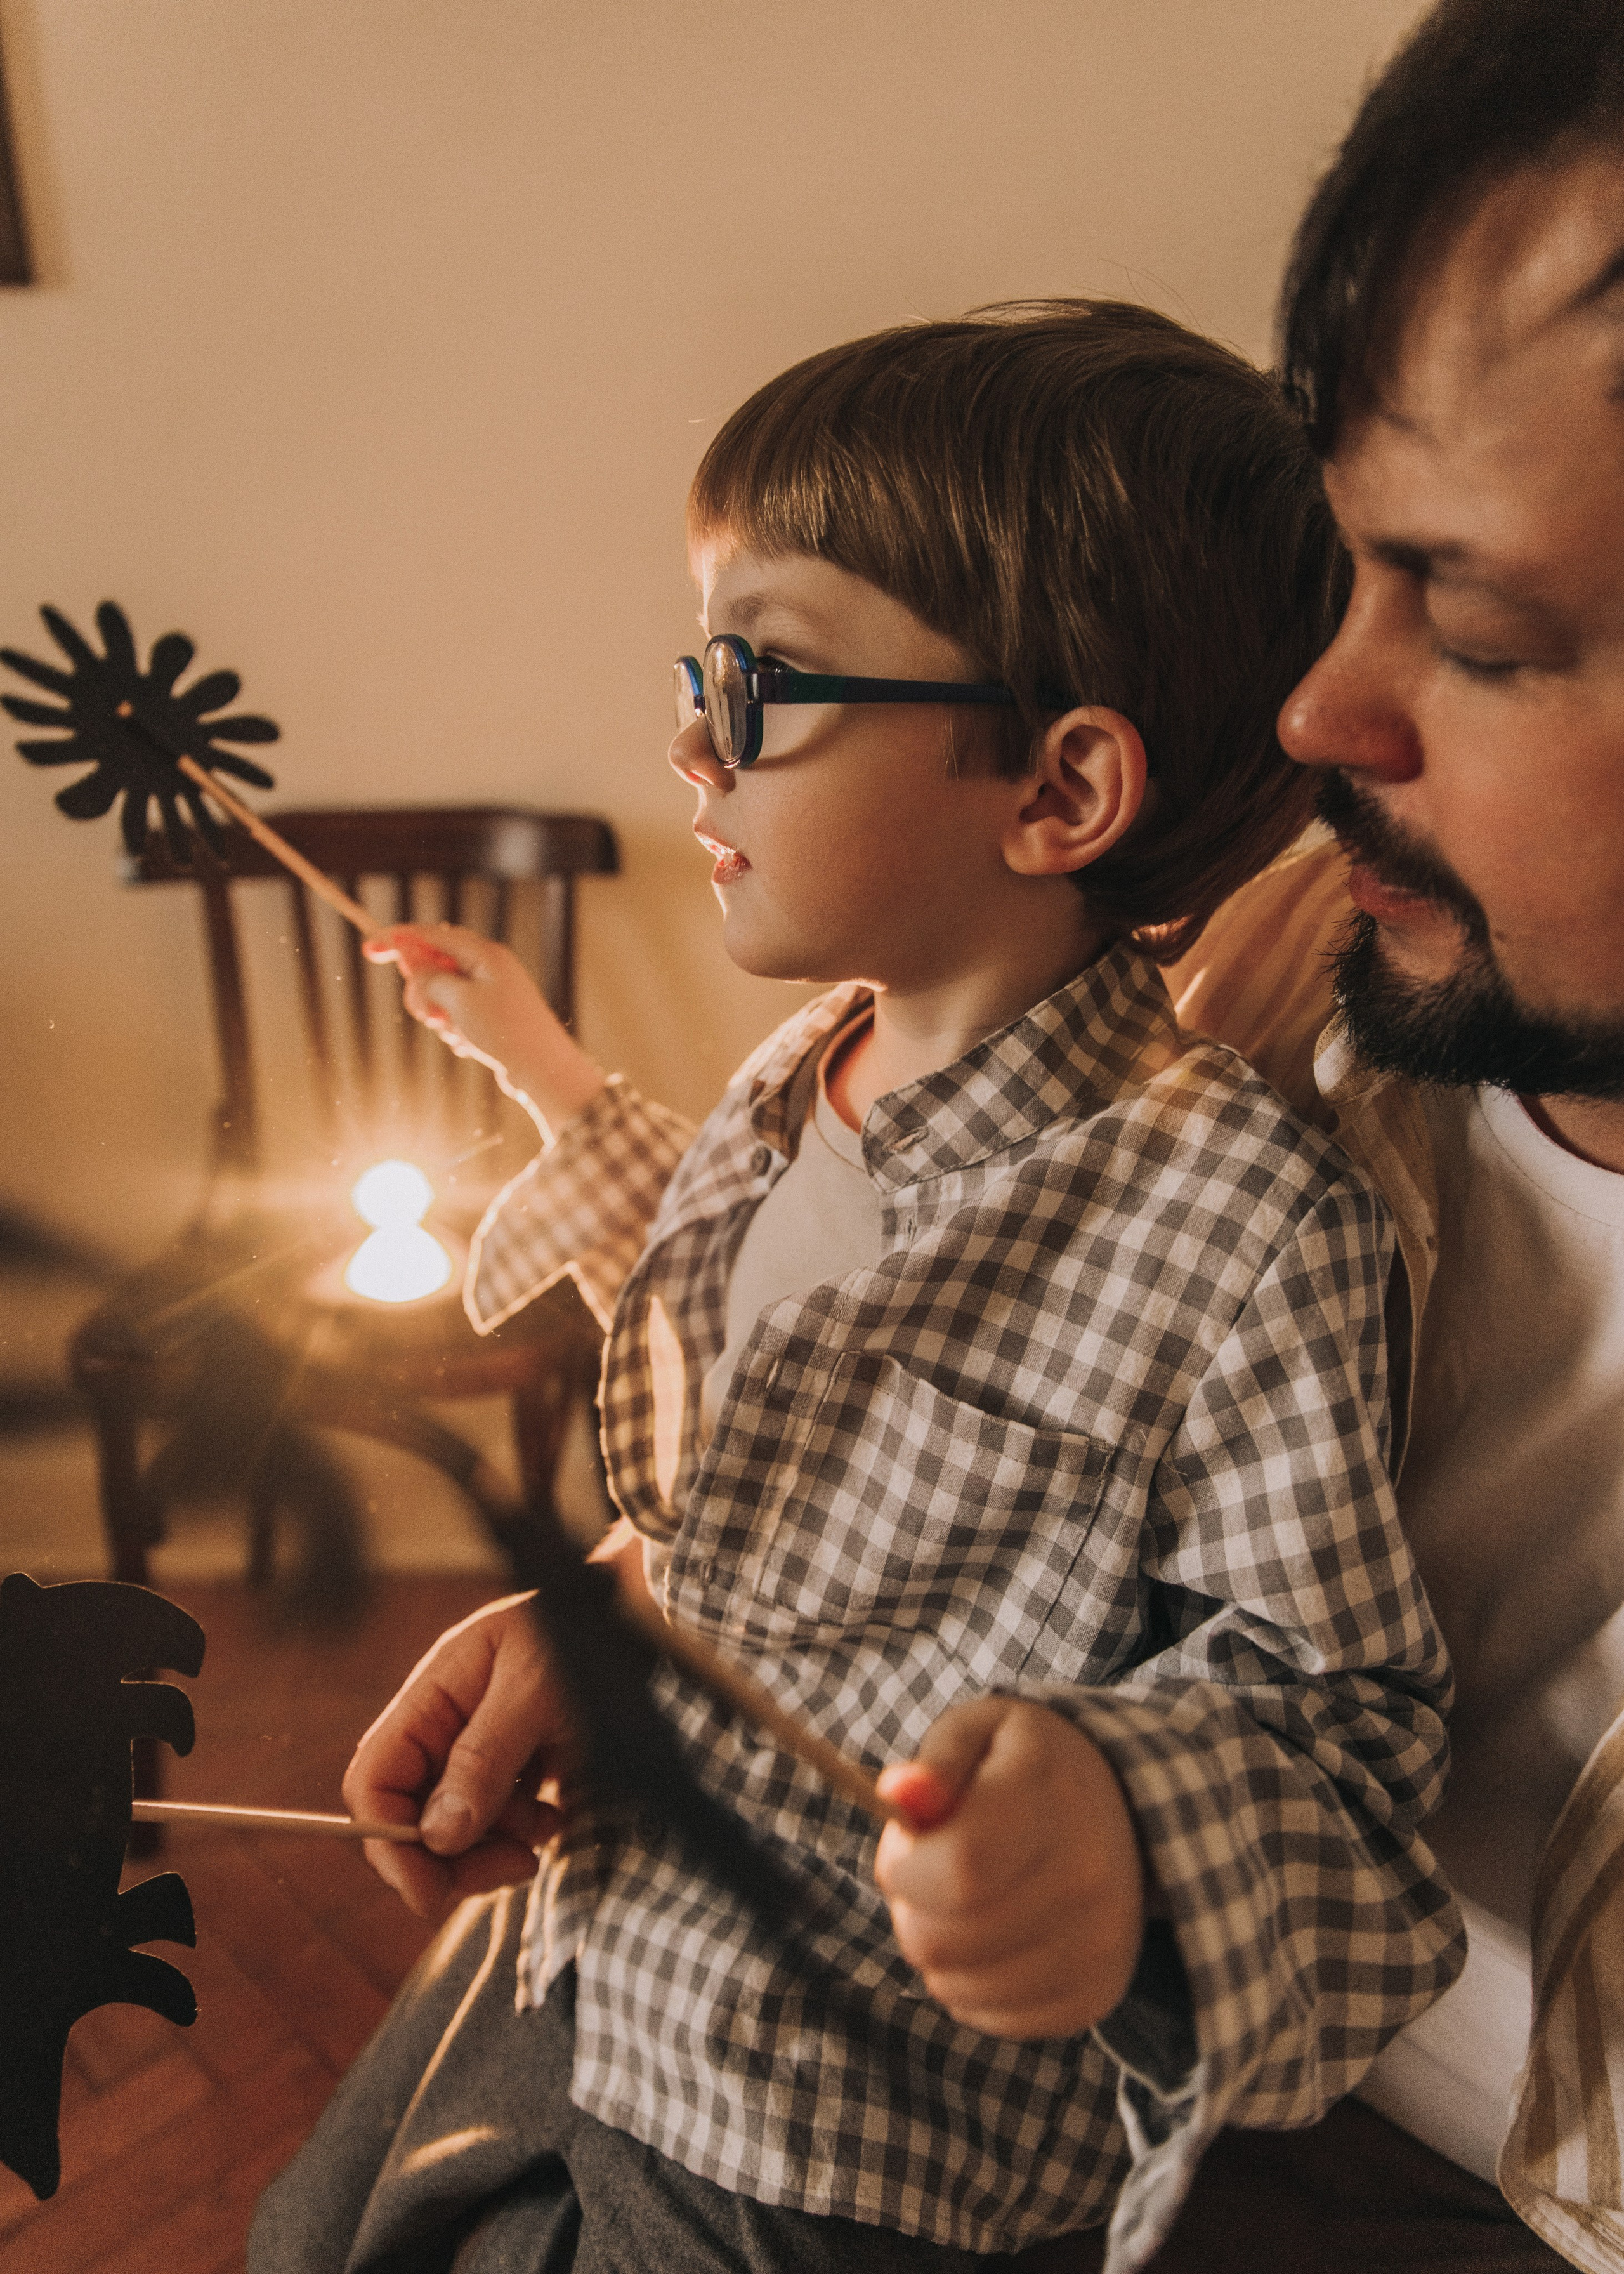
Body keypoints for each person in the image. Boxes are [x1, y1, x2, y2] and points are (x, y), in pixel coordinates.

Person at [249, 303, 1461, 2274]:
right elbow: (752, 1315)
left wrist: (1130, 1829)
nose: (686, 737)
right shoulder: (810, 1058)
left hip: (832, 2136)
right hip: (598, 1938)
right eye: (692, 664)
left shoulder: (1240, 1224)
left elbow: (1341, 1747)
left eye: (765, 673)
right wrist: (549, 1078)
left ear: (1059, 792)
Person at [1152, 3, 1624, 2266]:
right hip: (1199, 2089)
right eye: (1356, 567)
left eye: (1490, 630)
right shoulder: (1301, 1078)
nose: (1325, 709)